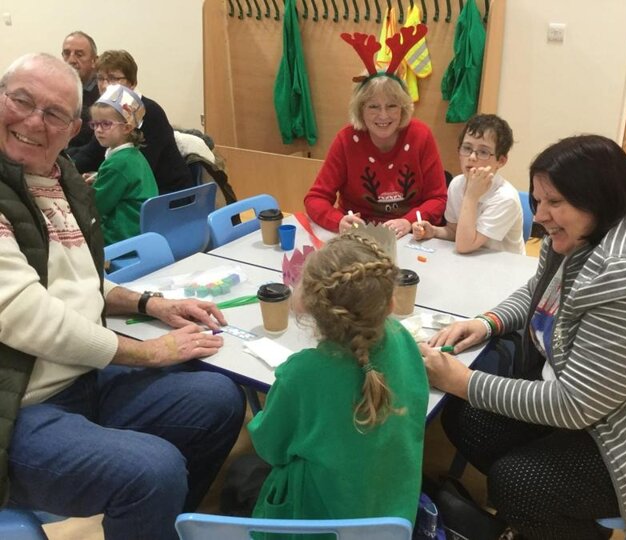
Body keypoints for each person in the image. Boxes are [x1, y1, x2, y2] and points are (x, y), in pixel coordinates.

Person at [421, 135, 626, 540]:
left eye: (555, 202)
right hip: (609, 405)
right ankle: (548, 519)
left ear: (597, 196)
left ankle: (555, 519)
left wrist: (462, 381)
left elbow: (575, 405)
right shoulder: (594, 228)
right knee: (468, 418)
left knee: (518, 483)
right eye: (538, 201)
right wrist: (488, 322)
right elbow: (542, 290)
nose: (541, 215)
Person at [0, 53, 245, 540]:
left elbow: (81, 279)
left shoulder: (62, 179)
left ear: (74, 130)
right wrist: (147, 353)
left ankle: (160, 525)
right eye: (21, 101)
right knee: (153, 470)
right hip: (20, 408)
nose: (33, 121)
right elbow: (25, 314)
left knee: (219, 398)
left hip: (82, 378)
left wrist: (151, 304)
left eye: (54, 113)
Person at [248, 234, 429, 525]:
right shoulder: (402, 338)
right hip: (394, 511)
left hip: (322, 521)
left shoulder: (301, 374)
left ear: (308, 304)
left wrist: (260, 420)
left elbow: (271, 448)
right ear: (391, 304)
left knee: (244, 475)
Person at [304, 27, 447, 238]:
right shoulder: (346, 140)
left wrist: (408, 222)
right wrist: (339, 221)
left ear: (403, 107)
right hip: (358, 236)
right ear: (360, 109)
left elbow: (438, 198)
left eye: (392, 106)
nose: (383, 115)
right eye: (373, 106)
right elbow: (315, 199)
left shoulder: (421, 135)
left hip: (408, 236)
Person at [67, 49, 193, 194]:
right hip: (136, 188)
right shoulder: (109, 112)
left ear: (132, 83)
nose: (105, 85)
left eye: (113, 78)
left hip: (167, 194)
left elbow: (138, 169)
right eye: (100, 78)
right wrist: (63, 168)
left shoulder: (150, 112)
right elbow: (90, 154)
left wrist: (100, 176)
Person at [412, 114, 525, 255]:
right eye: (466, 148)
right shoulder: (456, 184)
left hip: (503, 265)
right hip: (470, 260)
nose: (471, 157)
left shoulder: (505, 198)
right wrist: (434, 231)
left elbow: (464, 246)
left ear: (501, 161)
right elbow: (454, 231)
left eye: (483, 152)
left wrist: (471, 196)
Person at [89, 84, 158, 245]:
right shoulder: (133, 155)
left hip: (119, 237)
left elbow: (94, 207)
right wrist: (99, 177)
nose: (98, 130)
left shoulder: (117, 164)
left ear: (127, 128)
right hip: (140, 232)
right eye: (95, 124)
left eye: (106, 124)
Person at [61, 30, 99, 148]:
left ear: (94, 61)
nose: (71, 60)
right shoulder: (55, 90)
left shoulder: (104, 95)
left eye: (79, 54)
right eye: (66, 54)